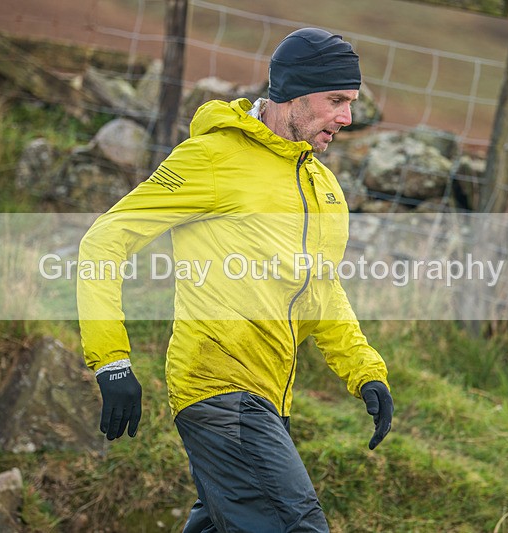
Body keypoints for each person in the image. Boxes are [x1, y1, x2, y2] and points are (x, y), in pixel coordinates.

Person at [77, 27, 394, 532]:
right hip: (218, 388)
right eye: (336, 100)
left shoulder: (321, 185)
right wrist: (111, 361)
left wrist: (363, 369)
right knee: (297, 526)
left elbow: (321, 288)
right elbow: (105, 241)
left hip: (270, 398)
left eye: (351, 102)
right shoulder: (213, 157)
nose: (347, 118)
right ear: (292, 91)